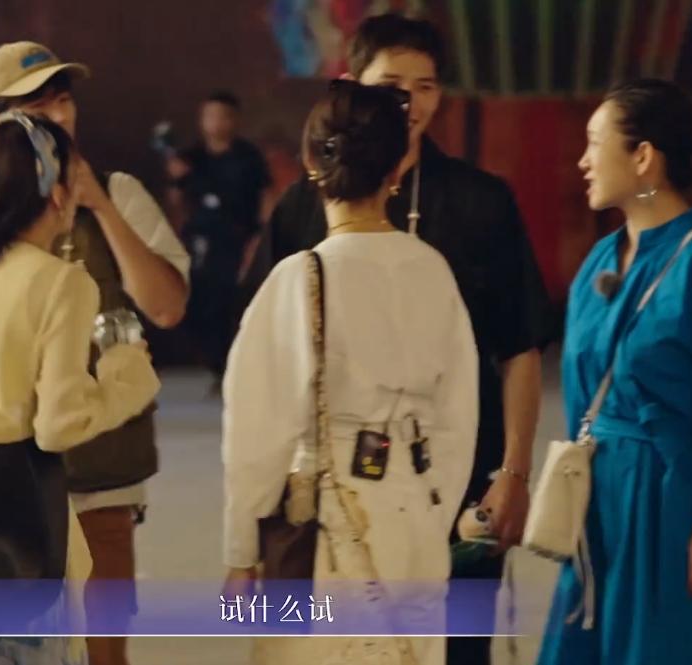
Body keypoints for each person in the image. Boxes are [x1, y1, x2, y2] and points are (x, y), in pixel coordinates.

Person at [242, 14, 550, 663]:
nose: (408, 103)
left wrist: (513, 473)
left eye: (426, 87)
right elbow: (262, 374)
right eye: (390, 86)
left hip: (463, 483)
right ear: (351, 84)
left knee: (459, 649)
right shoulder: (303, 207)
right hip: (325, 494)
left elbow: (519, 346)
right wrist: (248, 531)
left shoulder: (482, 201)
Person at [0, 42, 190, 665]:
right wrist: (128, 377)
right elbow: (52, 421)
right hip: (23, 500)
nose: (58, 116)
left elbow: (167, 306)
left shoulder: (114, 195)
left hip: (87, 482)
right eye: (35, 107)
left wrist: (99, 206)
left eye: (63, 100)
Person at [223, 79, 478, 665]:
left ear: (312, 163)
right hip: (414, 513)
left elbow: (256, 434)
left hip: (324, 526)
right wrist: (432, 512)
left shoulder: (298, 278)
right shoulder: (432, 269)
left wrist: (241, 552)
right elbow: (458, 418)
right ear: (396, 168)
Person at [538, 79, 692, 665]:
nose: (583, 161)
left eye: (595, 143)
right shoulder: (598, 262)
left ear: (643, 156)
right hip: (600, 506)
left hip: (672, 503)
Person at [168, 91, 271, 388]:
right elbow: (177, 201)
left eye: (223, 116)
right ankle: (212, 363)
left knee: (232, 303)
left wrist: (260, 238)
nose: (216, 123)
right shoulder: (191, 158)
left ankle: (231, 366)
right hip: (200, 241)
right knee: (199, 301)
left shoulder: (248, 157)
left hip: (236, 239)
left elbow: (266, 196)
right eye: (210, 116)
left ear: (235, 120)